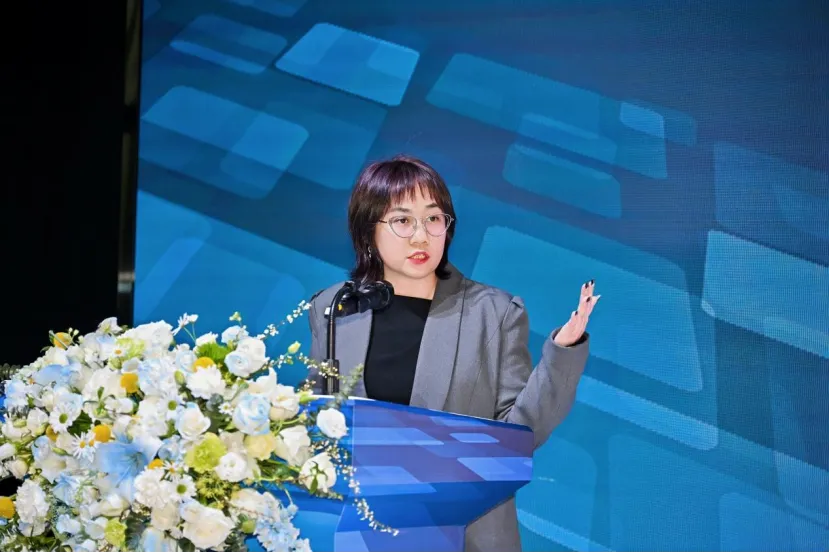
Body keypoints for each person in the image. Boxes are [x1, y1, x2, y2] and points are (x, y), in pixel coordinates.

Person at [306, 154, 598, 552]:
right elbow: (317, 426)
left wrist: (562, 353)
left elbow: (517, 436)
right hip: (357, 535)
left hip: (463, 537)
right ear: (367, 230)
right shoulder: (335, 308)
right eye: (402, 220)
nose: (421, 236)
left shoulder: (494, 312)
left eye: (433, 218)